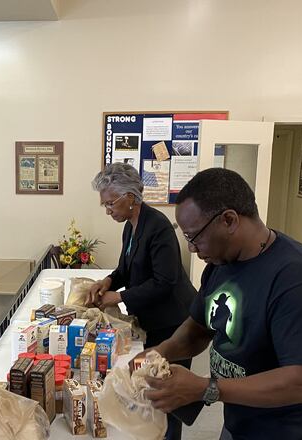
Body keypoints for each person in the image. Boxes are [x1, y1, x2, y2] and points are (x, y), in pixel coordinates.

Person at [136, 168, 302, 440]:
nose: (192, 249)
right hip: (241, 418)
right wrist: (156, 353)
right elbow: (197, 330)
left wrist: (204, 388)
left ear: (229, 220)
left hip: (291, 430)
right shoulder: (221, 263)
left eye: (193, 237)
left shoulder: (297, 278)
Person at [88, 162, 197, 440]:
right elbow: (126, 268)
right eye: (105, 205)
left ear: (131, 198)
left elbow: (165, 281)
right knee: (150, 388)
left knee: (168, 394)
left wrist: (120, 296)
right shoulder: (131, 226)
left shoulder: (158, 226)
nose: (108, 210)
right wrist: (108, 282)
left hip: (173, 321)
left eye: (111, 203)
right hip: (153, 319)